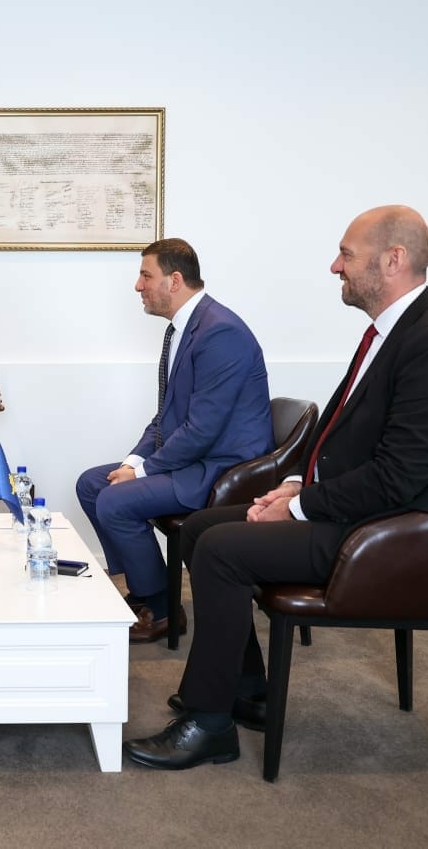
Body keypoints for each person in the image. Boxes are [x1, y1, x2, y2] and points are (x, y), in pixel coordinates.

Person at [123, 205, 428, 771]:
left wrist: (300, 506)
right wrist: (294, 484)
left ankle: (209, 723)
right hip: (359, 514)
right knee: (200, 528)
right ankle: (247, 688)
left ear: (393, 260)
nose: (334, 266)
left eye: (346, 254)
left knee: (221, 550)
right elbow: (342, 436)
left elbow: (399, 477)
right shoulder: (395, 333)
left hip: (391, 535)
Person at [75, 238, 273, 643]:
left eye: (145, 276)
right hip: (196, 457)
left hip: (222, 469)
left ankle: (164, 610)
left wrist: (142, 472)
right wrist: (132, 462)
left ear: (175, 280)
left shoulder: (221, 333)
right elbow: (165, 418)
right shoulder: (181, 330)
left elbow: (202, 430)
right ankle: (145, 592)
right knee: (92, 484)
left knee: (114, 500)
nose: (138, 286)